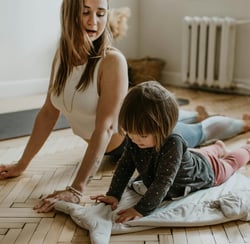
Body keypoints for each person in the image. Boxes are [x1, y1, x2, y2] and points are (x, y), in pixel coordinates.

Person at [0, 0, 249, 213]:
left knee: (202, 131)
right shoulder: (62, 58)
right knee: (181, 118)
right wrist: (22, 164)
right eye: (85, 11)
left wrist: (76, 189)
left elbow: (106, 127)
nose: (93, 21)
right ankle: (195, 114)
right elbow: (48, 112)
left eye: (101, 13)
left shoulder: (111, 60)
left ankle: (243, 123)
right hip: (131, 131)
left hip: (136, 142)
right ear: (69, 12)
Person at [91, 81, 250, 223]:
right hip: (190, 157)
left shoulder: (173, 142)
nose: (134, 139)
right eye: (130, 133)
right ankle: (218, 147)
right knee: (200, 154)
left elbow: (163, 181)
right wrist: (114, 194)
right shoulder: (135, 140)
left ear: (164, 129)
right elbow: (125, 166)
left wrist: (141, 209)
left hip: (208, 170)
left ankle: (246, 149)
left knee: (230, 163)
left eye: (143, 135)